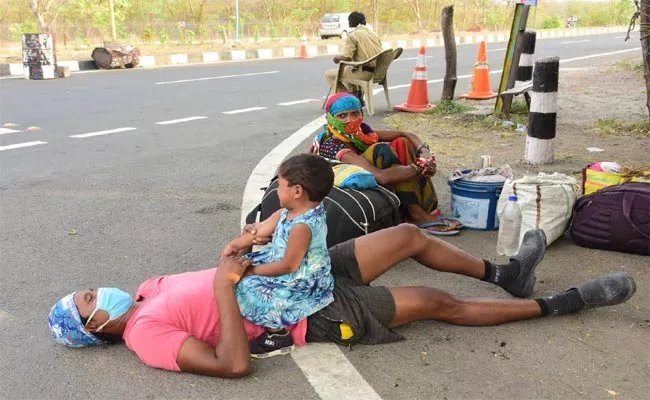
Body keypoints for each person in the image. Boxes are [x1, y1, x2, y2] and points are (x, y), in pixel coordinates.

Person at [48, 225, 636, 378]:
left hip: (297, 275)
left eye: (90, 288)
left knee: (407, 237)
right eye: (89, 300)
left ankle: (506, 274)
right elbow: (232, 363)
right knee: (435, 302)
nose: (99, 291)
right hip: (307, 315)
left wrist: (247, 251)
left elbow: (223, 277)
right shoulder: (144, 336)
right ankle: (564, 304)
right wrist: (228, 287)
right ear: (95, 327)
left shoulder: (149, 289)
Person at [223, 154, 335, 358]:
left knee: (248, 286)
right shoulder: (288, 211)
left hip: (299, 278)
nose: (276, 191)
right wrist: (236, 244)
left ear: (297, 191)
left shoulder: (303, 226)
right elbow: (262, 229)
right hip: (278, 262)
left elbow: (289, 266)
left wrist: (251, 271)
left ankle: (277, 335)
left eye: (280, 186)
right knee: (242, 271)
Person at [310, 92, 462, 235]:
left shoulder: (361, 134)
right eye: (342, 116)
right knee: (380, 150)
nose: (350, 120)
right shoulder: (332, 144)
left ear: (361, 114)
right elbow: (381, 177)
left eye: (355, 113)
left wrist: (425, 153)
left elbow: (406, 134)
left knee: (403, 143)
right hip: (350, 191)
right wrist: (419, 166)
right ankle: (415, 213)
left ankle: (421, 211)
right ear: (330, 119)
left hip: (374, 185)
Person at [324, 11, 383, 101]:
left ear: (352, 21)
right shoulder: (374, 34)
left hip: (364, 74)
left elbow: (347, 57)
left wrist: (337, 58)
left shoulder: (353, 35)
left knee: (330, 74)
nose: (348, 23)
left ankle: (351, 99)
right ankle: (359, 98)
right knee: (350, 70)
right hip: (378, 72)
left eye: (349, 20)